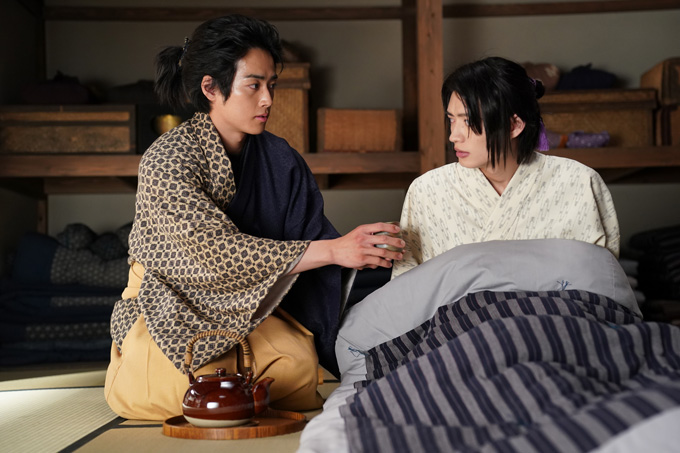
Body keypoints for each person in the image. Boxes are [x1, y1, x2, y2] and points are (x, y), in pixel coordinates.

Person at [104, 14, 403, 421]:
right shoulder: (167, 158)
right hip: (170, 303)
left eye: (271, 85)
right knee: (183, 382)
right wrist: (334, 250)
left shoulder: (279, 158)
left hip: (253, 305)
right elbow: (212, 252)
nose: (268, 100)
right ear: (211, 88)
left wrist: (354, 250)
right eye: (254, 85)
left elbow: (307, 233)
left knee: (296, 368)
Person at [391, 56, 619, 279]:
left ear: (514, 125)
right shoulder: (427, 190)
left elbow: (606, 285)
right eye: (452, 119)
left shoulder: (579, 182)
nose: (453, 136)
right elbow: (407, 291)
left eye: (468, 121)